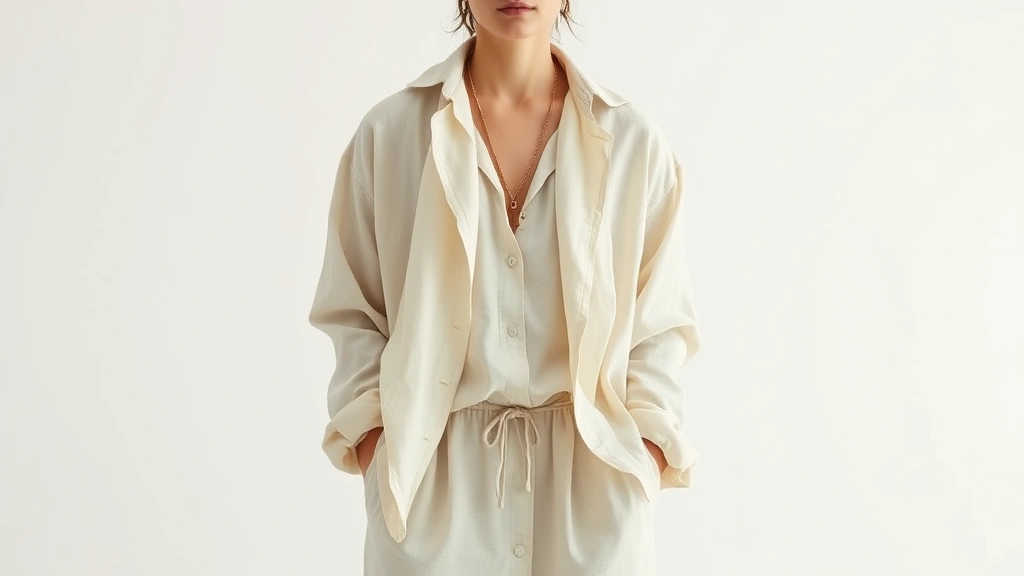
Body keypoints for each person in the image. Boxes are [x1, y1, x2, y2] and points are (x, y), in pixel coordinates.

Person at [308, 1, 701, 573]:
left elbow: (659, 325)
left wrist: (642, 454)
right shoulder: (391, 134)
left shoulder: (633, 142)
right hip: (431, 499)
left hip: (592, 496)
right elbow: (353, 311)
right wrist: (376, 446)